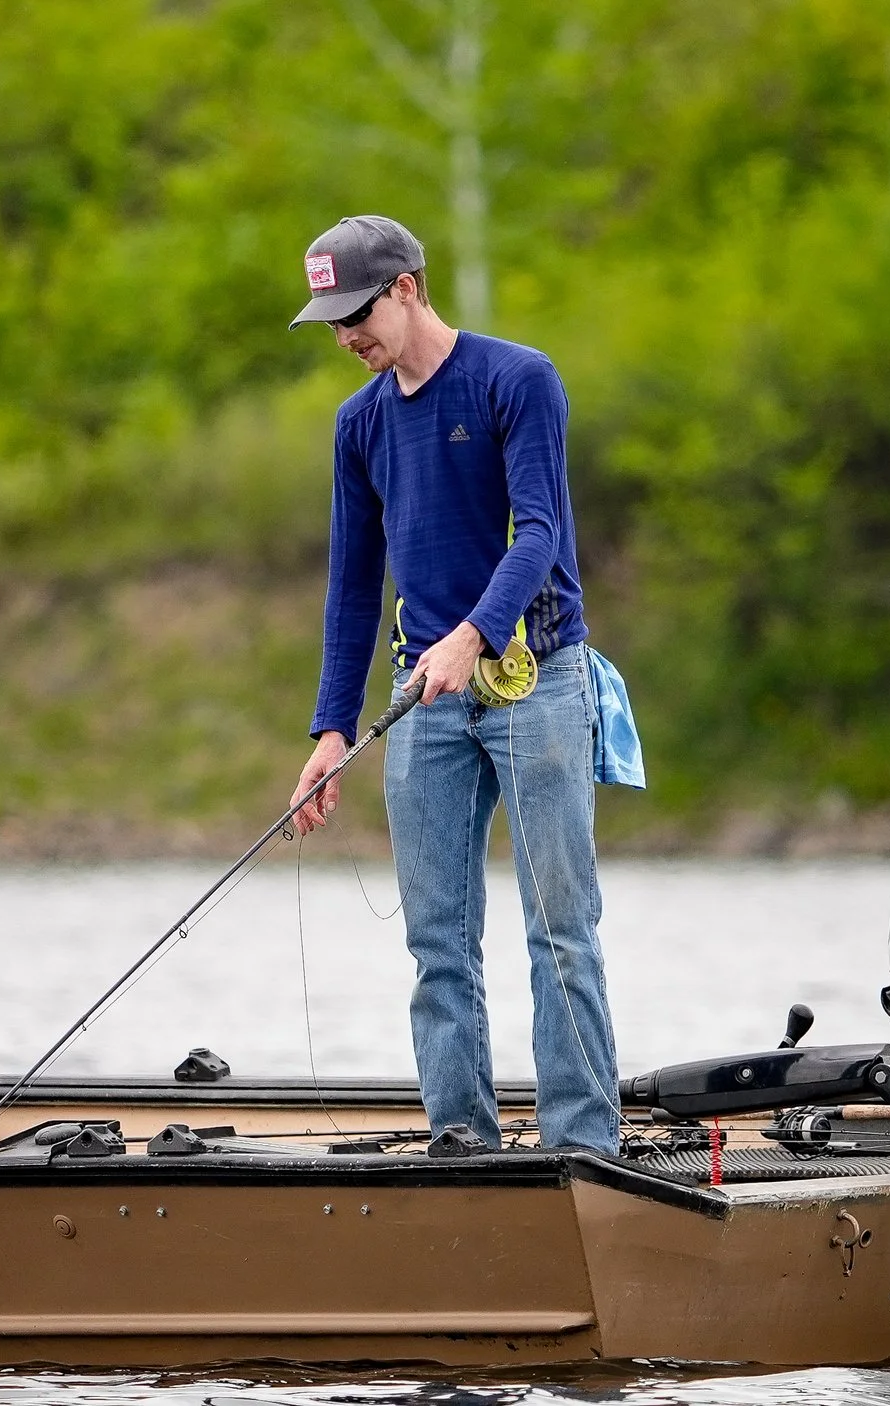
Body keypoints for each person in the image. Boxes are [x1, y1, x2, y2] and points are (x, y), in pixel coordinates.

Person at [284, 214, 621, 1154]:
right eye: (330, 322)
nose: (347, 337)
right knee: (438, 948)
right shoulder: (359, 425)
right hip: (423, 697)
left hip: (538, 683)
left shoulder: (518, 380)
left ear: (407, 287)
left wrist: (474, 634)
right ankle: (461, 1140)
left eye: (356, 312)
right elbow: (352, 586)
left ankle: (584, 1145)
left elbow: (541, 534)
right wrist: (329, 732)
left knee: (562, 930)